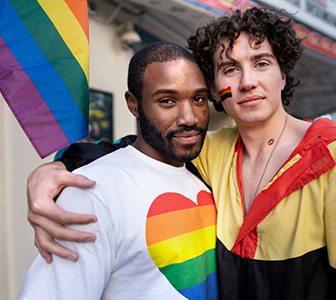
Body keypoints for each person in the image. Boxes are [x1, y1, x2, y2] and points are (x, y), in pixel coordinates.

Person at [26, 7, 336, 300]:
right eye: (229, 69)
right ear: (215, 89)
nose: (247, 82)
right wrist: (54, 169)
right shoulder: (211, 152)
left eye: (261, 63)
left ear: (282, 75)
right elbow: (137, 152)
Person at [20, 42, 219, 300]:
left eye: (198, 99)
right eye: (167, 101)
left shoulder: (210, 173)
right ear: (133, 104)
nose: (189, 117)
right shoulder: (91, 192)